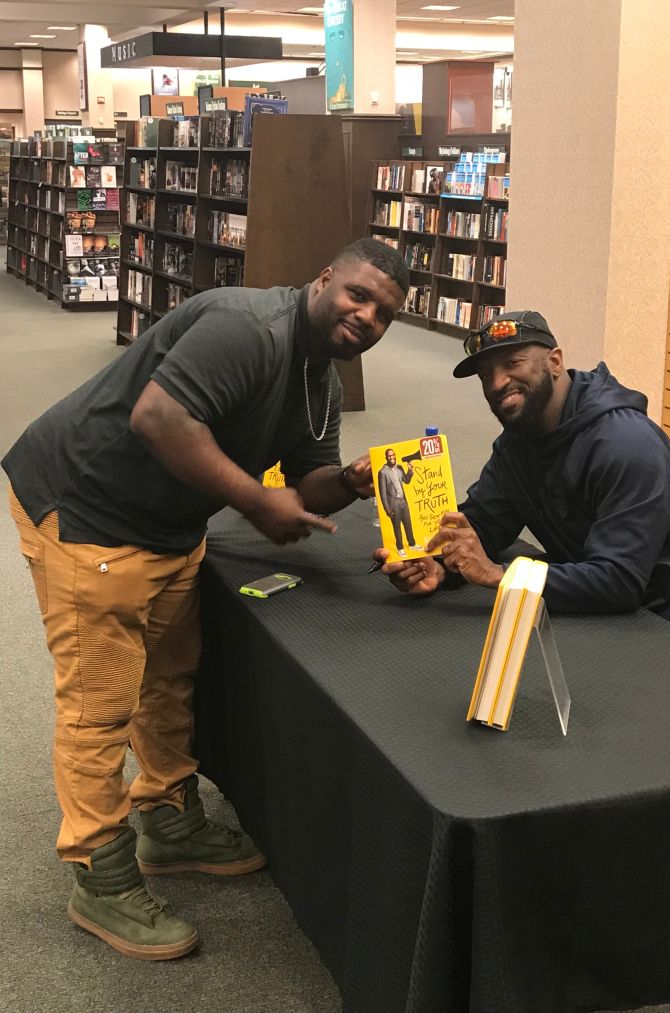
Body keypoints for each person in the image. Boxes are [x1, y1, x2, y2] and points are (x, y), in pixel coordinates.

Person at [3, 237, 409, 961]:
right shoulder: (245, 328)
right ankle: (98, 872)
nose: (366, 317)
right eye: (358, 295)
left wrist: (347, 480)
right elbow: (159, 418)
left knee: (168, 675)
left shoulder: (322, 381)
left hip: (170, 523)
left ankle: (166, 814)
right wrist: (257, 501)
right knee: (101, 703)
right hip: (89, 505)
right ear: (322, 279)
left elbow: (310, 477)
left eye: (384, 314)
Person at [377, 310, 670, 641]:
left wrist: (499, 575)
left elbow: (619, 581)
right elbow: (486, 523)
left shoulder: (627, 445)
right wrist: (440, 565)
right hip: (599, 612)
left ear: (555, 362)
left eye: (512, 363)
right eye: (486, 375)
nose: (497, 382)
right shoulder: (519, 440)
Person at [377, 448, 423, 557]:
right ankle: (400, 548)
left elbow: (406, 481)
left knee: (408, 523)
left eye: (393, 455)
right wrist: (387, 510)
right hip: (393, 504)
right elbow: (382, 493)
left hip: (403, 501)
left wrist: (410, 470)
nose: (392, 457)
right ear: (386, 458)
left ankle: (412, 544)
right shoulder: (382, 472)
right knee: (397, 526)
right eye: (389, 456)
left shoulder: (399, 468)